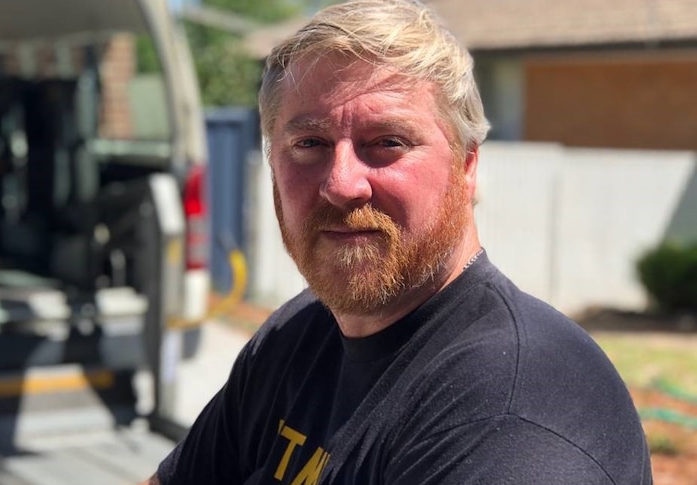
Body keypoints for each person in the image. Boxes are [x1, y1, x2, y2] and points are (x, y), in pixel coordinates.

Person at [143, 1, 651, 483]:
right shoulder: (295, 334)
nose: (342, 183)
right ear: (273, 166)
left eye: (388, 142)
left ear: (466, 167)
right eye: (309, 144)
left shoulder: (513, 412)